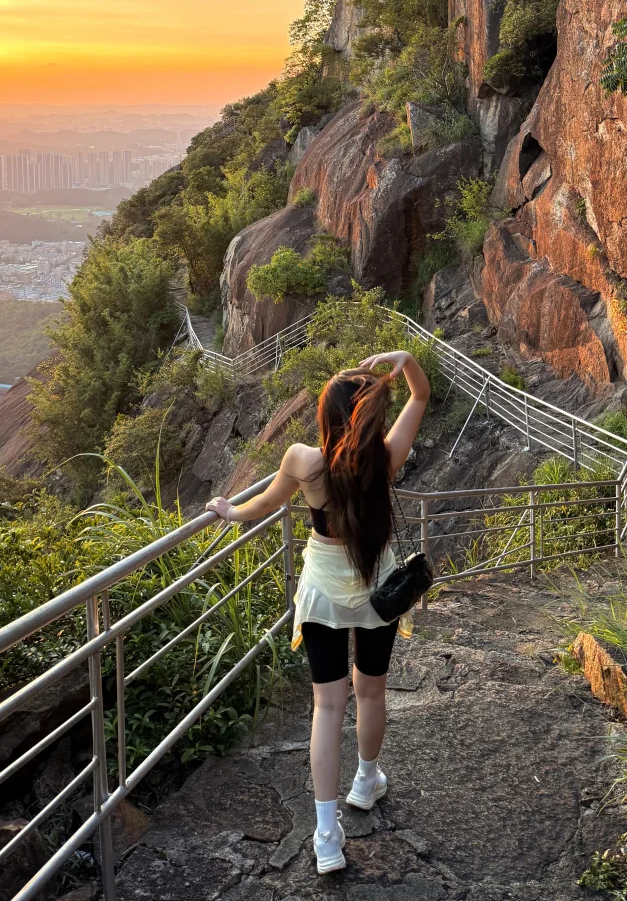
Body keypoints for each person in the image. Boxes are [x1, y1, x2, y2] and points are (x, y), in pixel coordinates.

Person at [207, 348, 430, 875]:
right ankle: (365, 781)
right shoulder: (385, 457)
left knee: (327, 709)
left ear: (325, 419)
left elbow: (261, 506)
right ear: (367, 414)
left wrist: (227, 511)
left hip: (322, 596)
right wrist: (406, 360)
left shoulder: (303, 461)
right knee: (371, 689)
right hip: (378, 593)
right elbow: (421, 394)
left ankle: (326, 836)